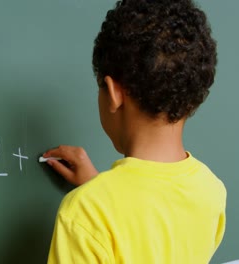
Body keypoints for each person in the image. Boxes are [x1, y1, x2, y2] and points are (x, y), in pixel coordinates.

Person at [44, 0, 227, 263]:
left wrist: (98, 199)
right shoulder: (212, 192)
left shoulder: (83, 215)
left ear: (114, 93)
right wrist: (97, 187)